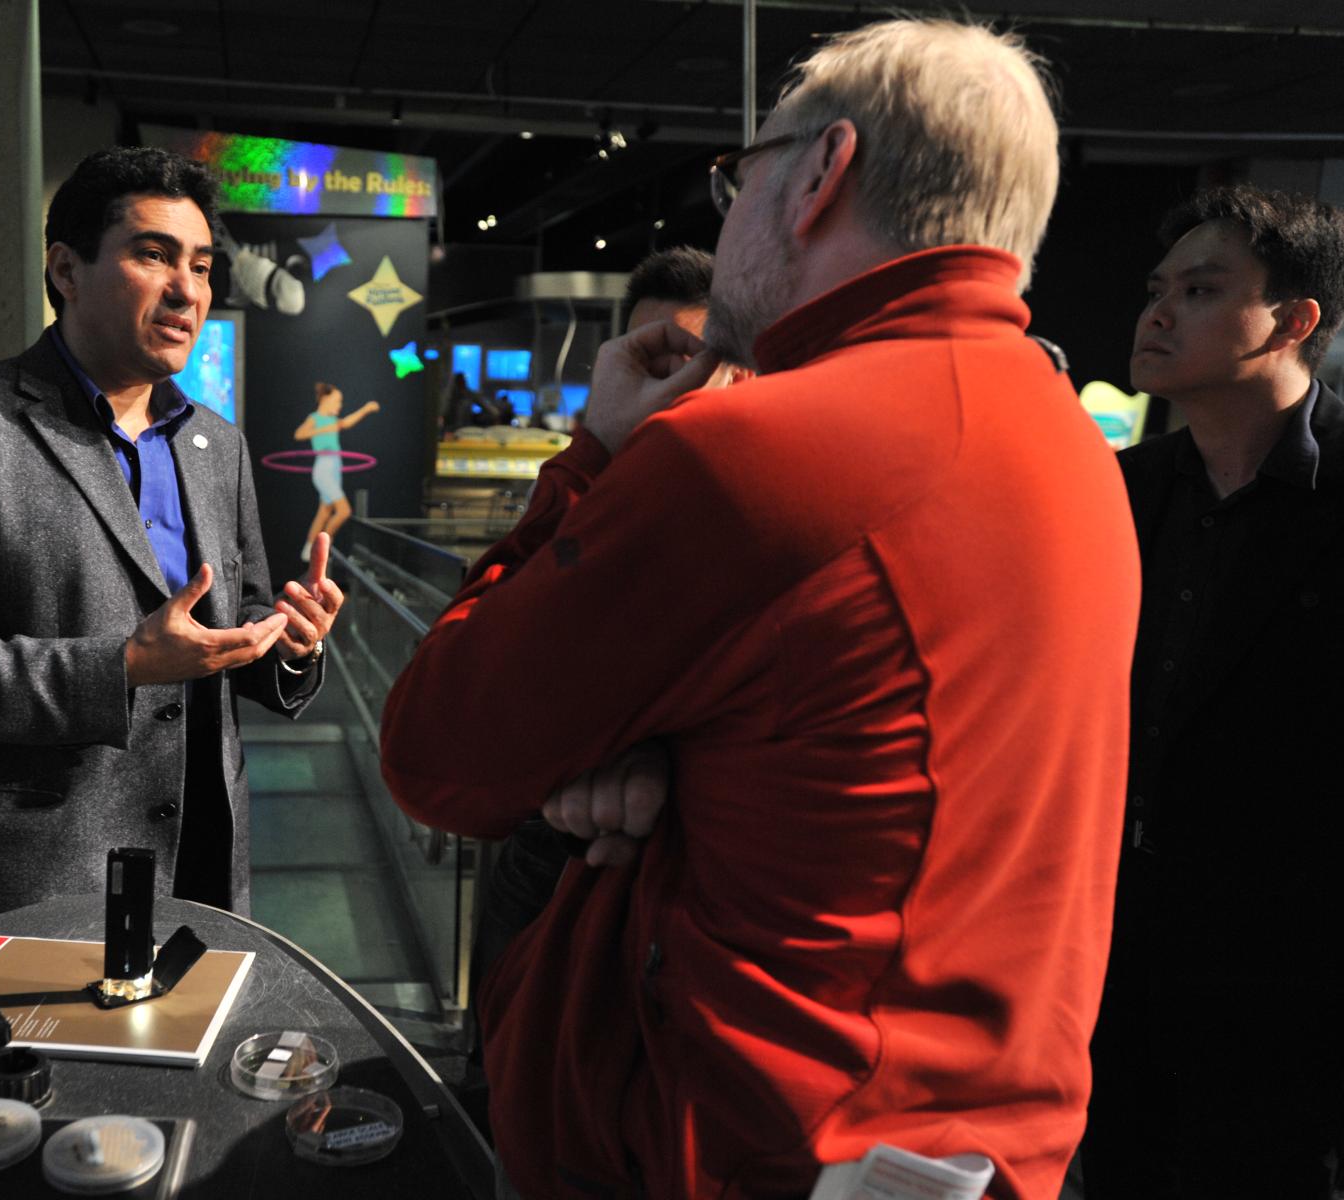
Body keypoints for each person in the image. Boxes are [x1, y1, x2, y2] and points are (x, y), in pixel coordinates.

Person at [380, 18, 1137, 1200]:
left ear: (824, 171)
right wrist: (674, 762)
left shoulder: (753, 456)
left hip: (740, 1143)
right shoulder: (1067, 441)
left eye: (740, 177)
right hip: (976, 1147)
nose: (724, 217)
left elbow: (437, 750)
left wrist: (594, 459)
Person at [0, 147, 341, 937]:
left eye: (200, 264)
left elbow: (237, 612)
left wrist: (289, 642)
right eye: (152, 255)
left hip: (203, 857)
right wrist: (117, 670)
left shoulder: (215, 444)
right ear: (65, 270)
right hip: (40, 870)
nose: (187, 289)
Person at [1080, 185, 1344, 1199]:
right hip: (1119, 945)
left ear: (1293, 320)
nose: (1156, 313)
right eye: (1158, 288)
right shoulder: (1120, 493)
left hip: (1293, 974)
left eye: (1200, 290)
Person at [470, 245, 745, 1004]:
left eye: (693, 360)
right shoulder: (594, 482)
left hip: (690, 895)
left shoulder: (762, 503)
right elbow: (463, 705)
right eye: (650, 362)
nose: (671, 389)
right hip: (547, 862)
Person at [294, 382, 378, 561]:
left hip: (334, 467)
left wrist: (366, 409)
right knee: (344, 511)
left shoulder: (334, 420)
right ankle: (322, 549)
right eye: (337, 400)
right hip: (324, 468)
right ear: (326, 399)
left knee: (324, 512)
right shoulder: (315, 418)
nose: (340, 405)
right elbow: (299, 434)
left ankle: (309, 549)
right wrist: (323, 429)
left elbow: (347, 422)